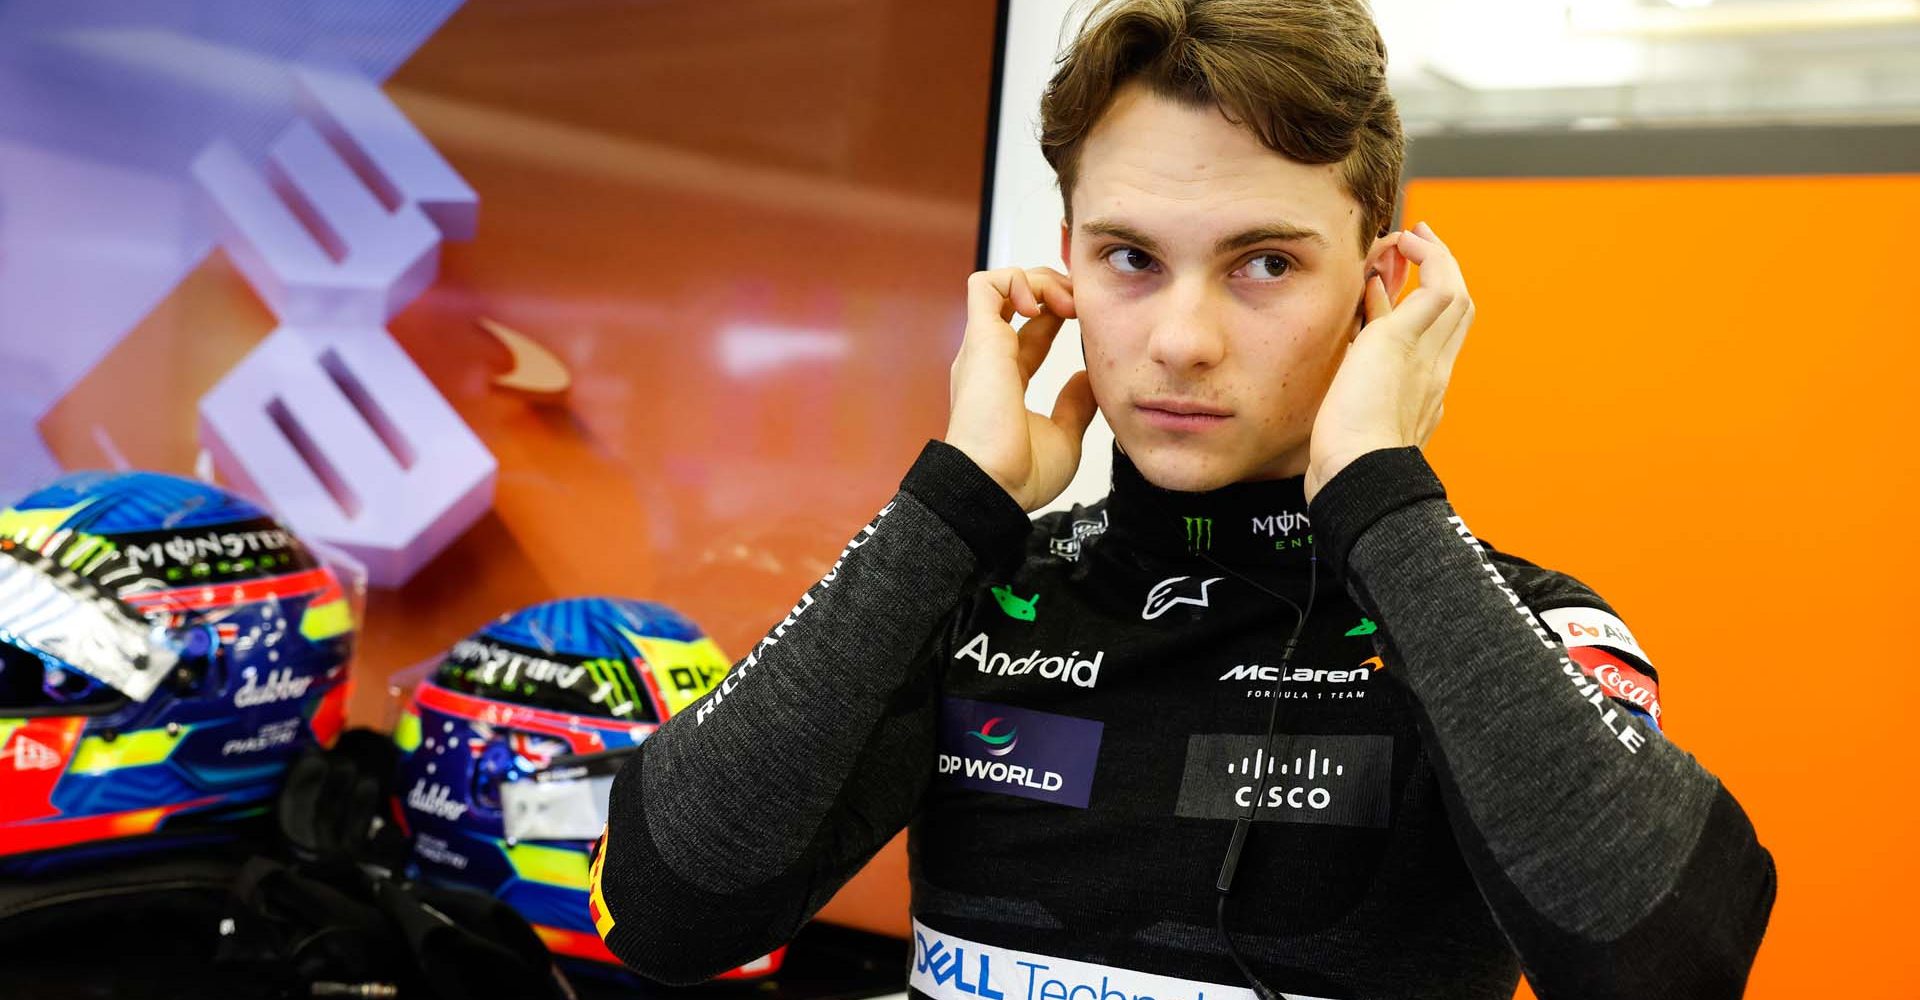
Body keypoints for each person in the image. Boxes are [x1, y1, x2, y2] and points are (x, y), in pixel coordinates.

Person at [586, 1, 1776, 997]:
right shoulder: (976, 589)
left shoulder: (1507, 620)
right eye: (1131, 258)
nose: (1183, 339)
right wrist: (952, 503)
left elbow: (1668, 962)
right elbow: (660, 910)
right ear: (1065, 259)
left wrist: (1383, 498)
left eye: (1266, 263)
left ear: (1378, 289)